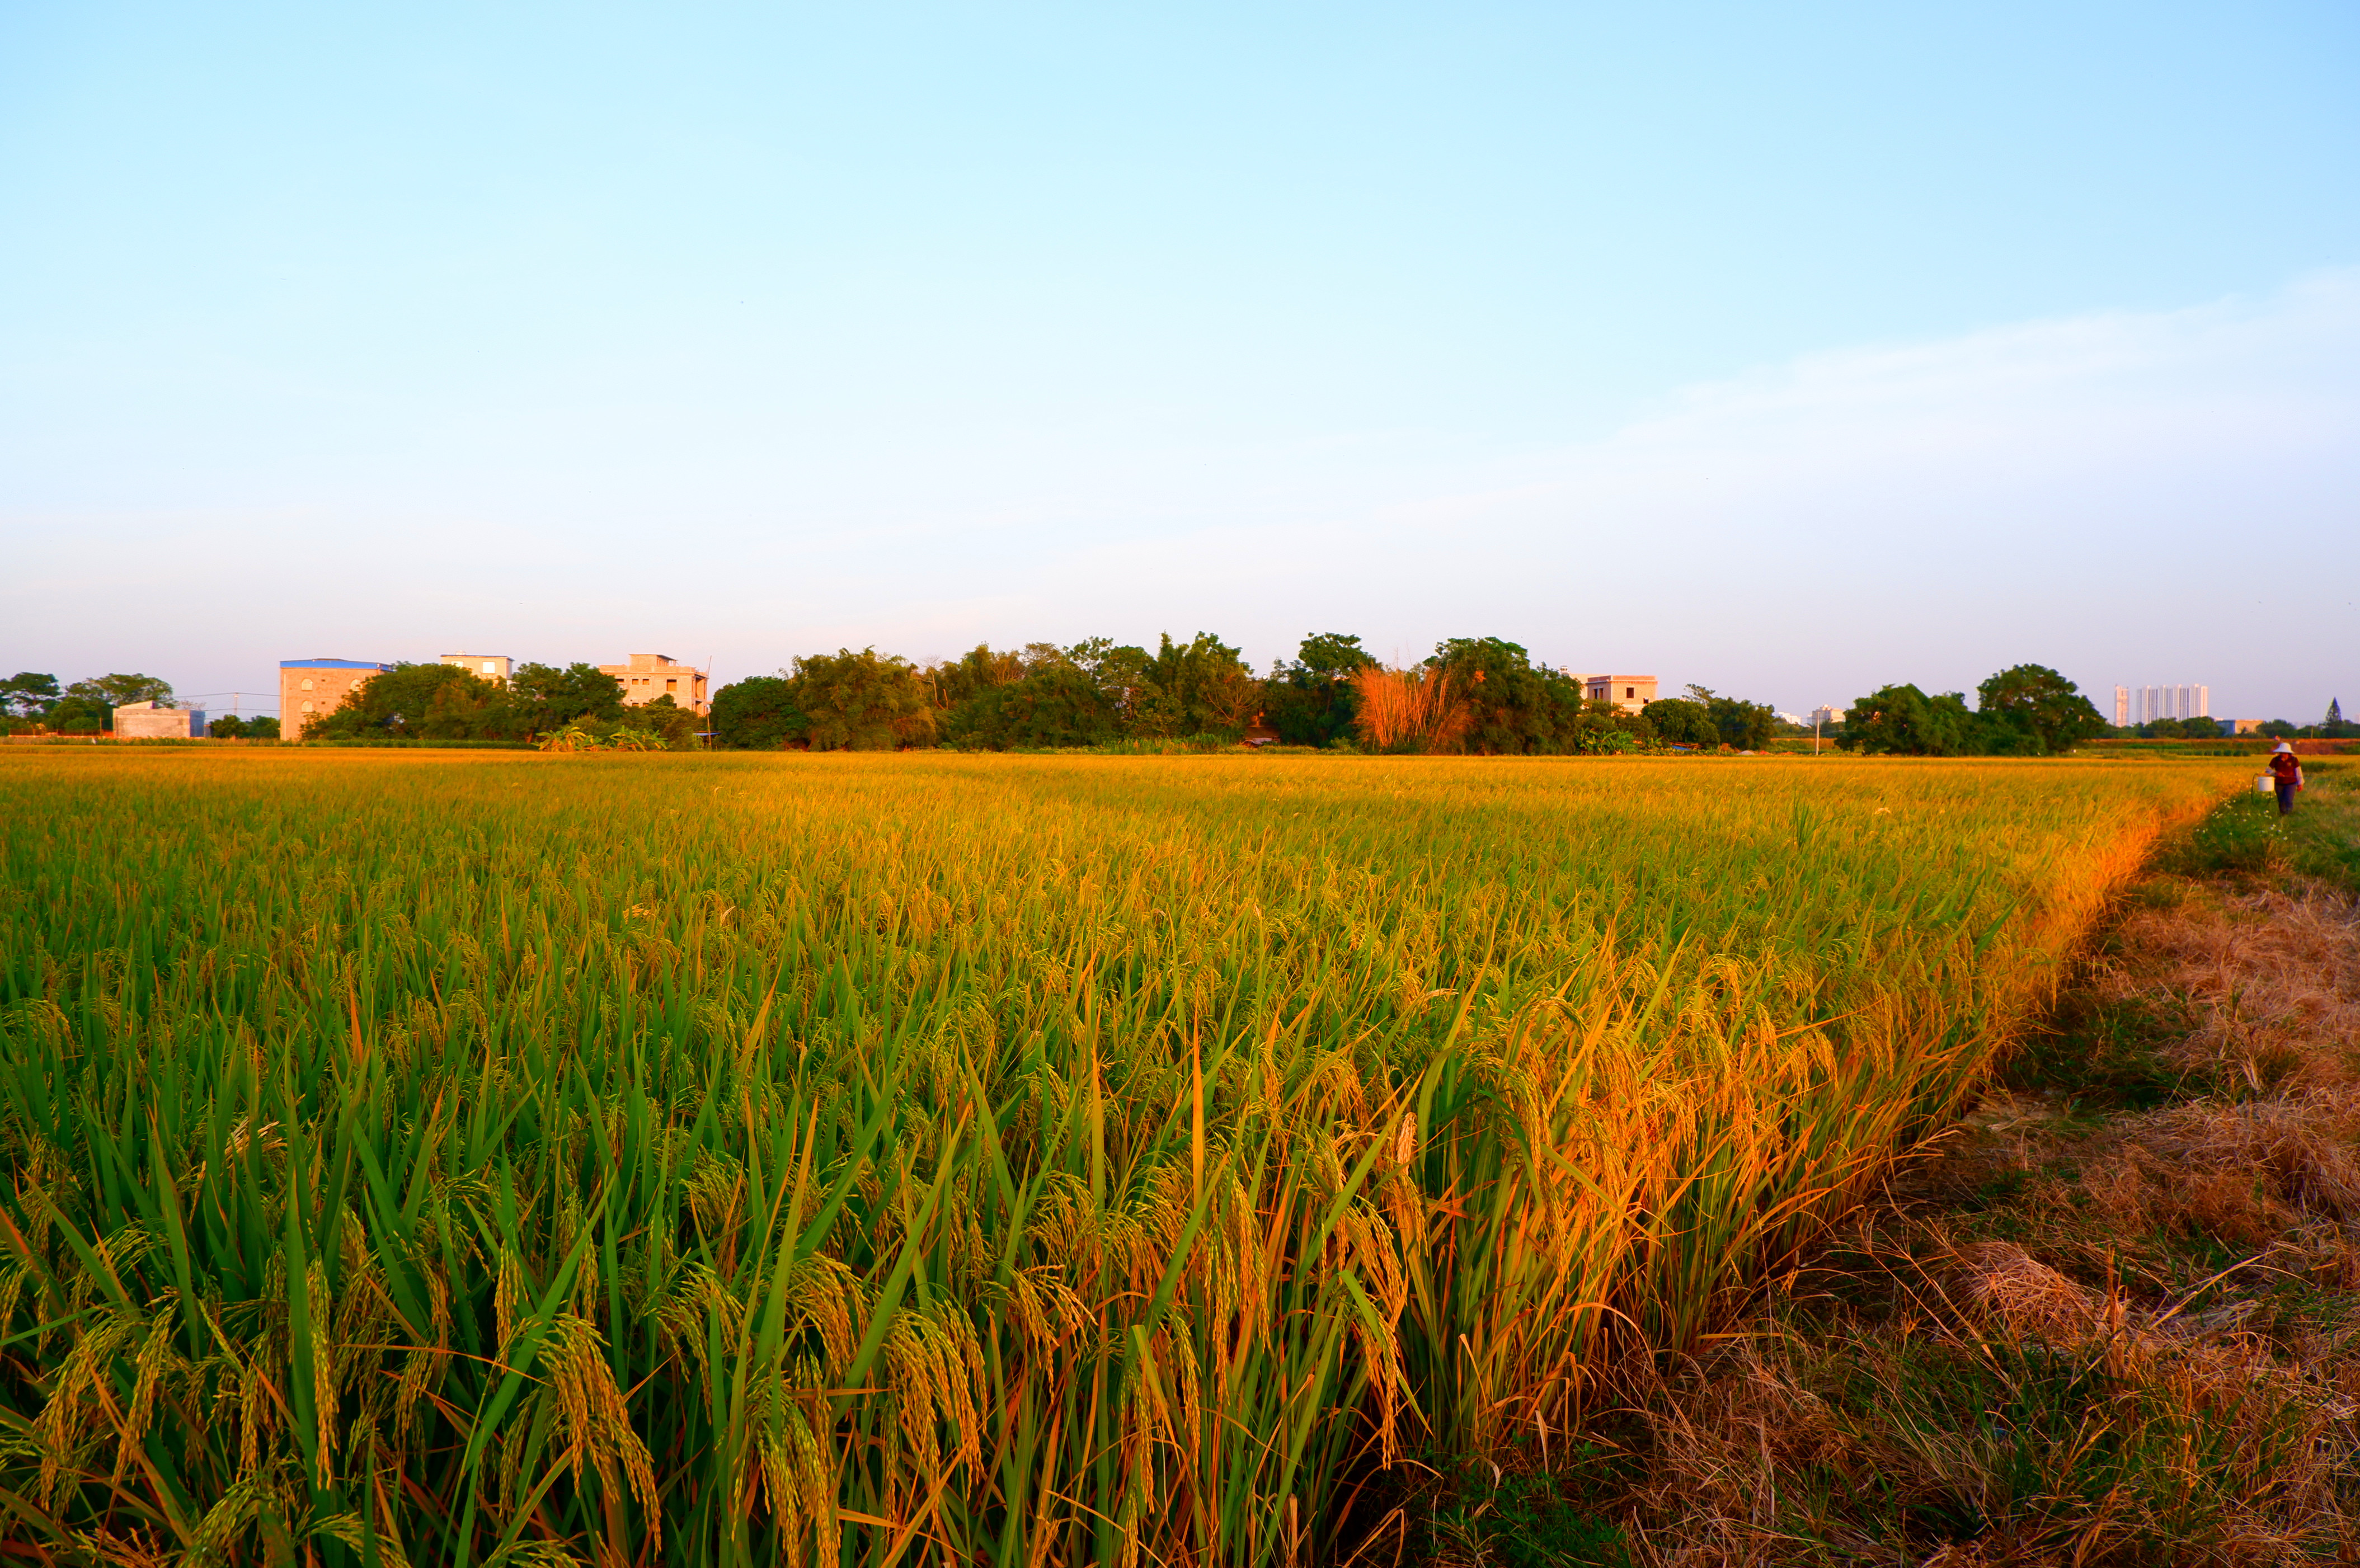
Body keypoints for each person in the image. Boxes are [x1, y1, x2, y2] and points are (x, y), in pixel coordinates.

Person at [2267, 741, 2304, 817]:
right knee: (2281, 800)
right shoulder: (2275, 760)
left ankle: (2288, 814)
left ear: (2288, 753)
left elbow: (2298, 772)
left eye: (2284, 752)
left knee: (2289, 799)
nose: (2282, 754)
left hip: (2291, 783)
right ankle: (2282, 814)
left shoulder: (2294, 760)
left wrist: (2300, 784)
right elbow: (2268, 770)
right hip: (2279, 783)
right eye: (2281, 752)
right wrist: (2276, 773)